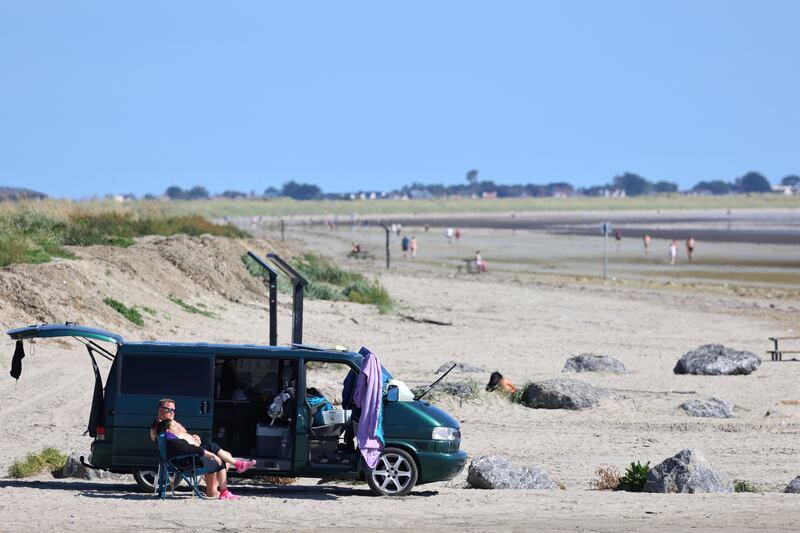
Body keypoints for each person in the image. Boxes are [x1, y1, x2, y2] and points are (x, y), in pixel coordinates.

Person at [150, 399, 255, 474]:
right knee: (215, 451)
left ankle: (215, 488)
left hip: (193, 450)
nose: (172, 412)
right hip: (188, 456)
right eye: (169, 410)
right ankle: (235, 467)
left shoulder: (172, 422)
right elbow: (176, 444)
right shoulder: (160, 427)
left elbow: (185, 434)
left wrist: (195, 438)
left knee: (226, 454)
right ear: (160, 410)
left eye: (174, 410)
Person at [157, 420, 238, 499]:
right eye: (174, 426)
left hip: (183, 462)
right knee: (220, 462)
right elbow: (190, 449)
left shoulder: (166, 438)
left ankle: (222, 489)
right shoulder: (173, 441)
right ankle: (223, 491)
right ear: (168, 430)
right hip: (188, 465)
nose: (177, 428)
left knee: (212, 448)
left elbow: (188, 448)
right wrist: (211, 455)